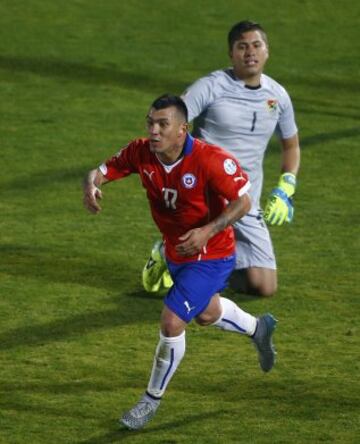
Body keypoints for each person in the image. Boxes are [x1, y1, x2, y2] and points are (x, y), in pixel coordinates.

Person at [83, 95, 277, 430]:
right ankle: (259, 329)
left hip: (212, 254)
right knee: (205, 313)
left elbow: (244, 200)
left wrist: (208, 230)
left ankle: (149, 401)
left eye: (162, 124)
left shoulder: (210, 159)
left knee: (172, 321)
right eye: (150, 123)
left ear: (182, 130)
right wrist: (92, 184)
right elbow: (102, 170)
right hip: (177, 252)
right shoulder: (141, 151)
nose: (154, 131)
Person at [142, 20, 300, 297]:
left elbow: (291, 146)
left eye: (256, 45)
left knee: (263, 286)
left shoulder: (277, 96)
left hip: (245, 200)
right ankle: (176, 258)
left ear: (267, 51)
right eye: (242, 47)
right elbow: (172, 123)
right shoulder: (210, 87)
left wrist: (286, 187)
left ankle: (181, 262)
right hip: (203, 199)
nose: (249, 52)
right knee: (199, 269)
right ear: (231, 54)